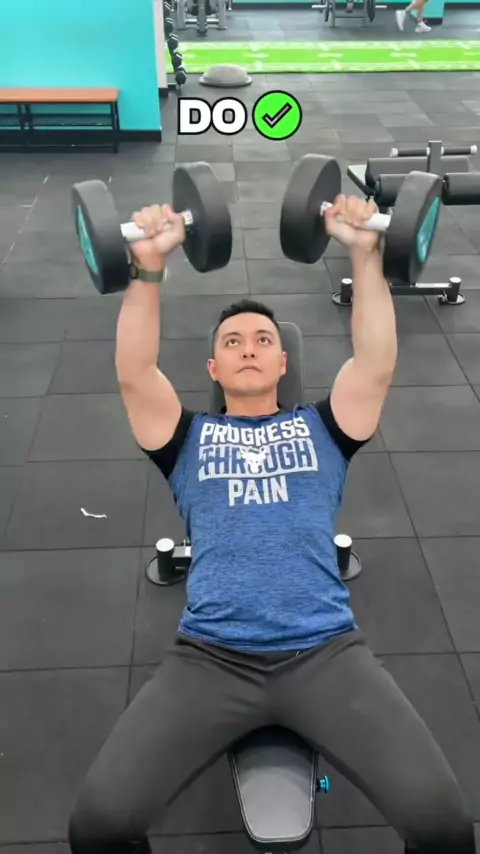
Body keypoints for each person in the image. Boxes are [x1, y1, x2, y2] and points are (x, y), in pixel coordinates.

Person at [68, 194, 476, 854]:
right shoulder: (185, 439)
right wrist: (147, 268)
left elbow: (375, 361)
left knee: (445, 828)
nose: (249, 349)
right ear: (214, 369)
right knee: (98, 827)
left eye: (264, 340)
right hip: (210, 657)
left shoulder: (326, 428)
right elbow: (135, 371)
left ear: (284, 362)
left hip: (326, 652)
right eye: (232, 343)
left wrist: (365, 254)